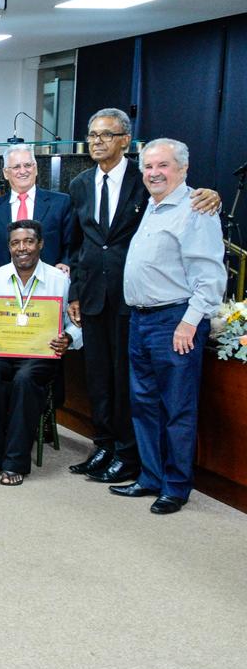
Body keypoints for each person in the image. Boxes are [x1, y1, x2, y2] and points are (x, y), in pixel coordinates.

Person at [66, 108, 221, 483]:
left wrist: (210, 194)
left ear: (125, 141)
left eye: (106, 135)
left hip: (135, 301)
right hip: (93, 297)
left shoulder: (148, 181)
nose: (97, 141)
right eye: (92, 134)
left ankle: (127, 452)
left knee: (128, 383)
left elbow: (184, 200)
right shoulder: (80, 184)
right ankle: (103, 445)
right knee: (99, 378)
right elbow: (77, 244)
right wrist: (75, 291)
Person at [109, 139, 226, 515]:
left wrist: (189, 323)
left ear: (183, 169)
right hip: (141, 320)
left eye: (163, 166)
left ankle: (175, 486)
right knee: (144, 404)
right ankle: (150, 477)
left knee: (177, 407)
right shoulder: (153, 205)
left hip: (174, 321)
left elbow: (210, 276)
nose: (154, 173)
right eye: (148, 167)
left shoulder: (196, 209)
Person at [0, 220, 78, 486]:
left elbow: (74, 323)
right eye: (16, 243)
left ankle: (15, 461)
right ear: (9, 247)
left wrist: (69, 339)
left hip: (39, 355)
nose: (22, 248)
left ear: (40, 244)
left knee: (25, 380)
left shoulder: (59, 280)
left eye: (29, 241)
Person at [0, 144, 72, 278]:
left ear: (36, 169)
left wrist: (65, 263)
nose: (23, 171)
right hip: (4, 286)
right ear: (6, 173)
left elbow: (72, 245)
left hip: (49, 285)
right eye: (16, 167)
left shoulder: (61, 203)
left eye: (28, 165)